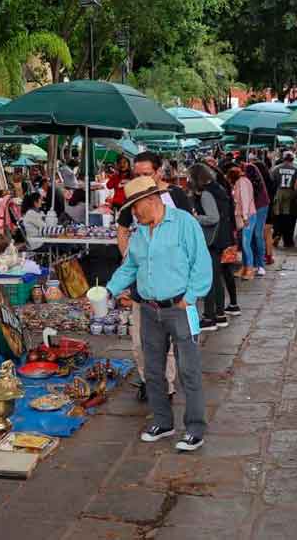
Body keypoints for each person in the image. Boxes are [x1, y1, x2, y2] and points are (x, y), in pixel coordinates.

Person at [105, 176, 211, 452]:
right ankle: (164, 422)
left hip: (180, 309)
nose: (132, 214)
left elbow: (201, 262)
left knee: (189, 371)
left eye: (134, 208)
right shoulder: (140, 232)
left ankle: (195, 429)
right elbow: (130, 267)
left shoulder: (184, 223)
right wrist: (109, 290)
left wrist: (189, 298)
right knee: (153, 370)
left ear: (150, 201)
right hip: (150, 310)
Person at [116, 151, 191, 402]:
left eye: (146, 174)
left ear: (159, 172)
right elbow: (123, 230)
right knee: (139, 341)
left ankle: (167, 385)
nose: (141, 178)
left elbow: (190, 236)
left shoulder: (177, 197)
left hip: (173, 285)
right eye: (137, 174)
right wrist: (130, 260)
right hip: (142, 283)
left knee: (170, 343)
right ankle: (149, 380)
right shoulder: (132, 197)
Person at [189, 164, 236, 332]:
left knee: (209, 278)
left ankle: (210, 317)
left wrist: (195, 217)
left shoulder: (207, 194)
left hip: (212, 240)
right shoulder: (219, 189)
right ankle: (220, 315)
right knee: (216, 278)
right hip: (222, 238)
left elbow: (212, 217)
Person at [242, 162, 270, 278]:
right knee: (252, 236)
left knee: (257, 234)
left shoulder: (249, 169)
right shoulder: (249, 169)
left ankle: (260, 265)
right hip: (255, 206)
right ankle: (253, 264)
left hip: (259, 206)